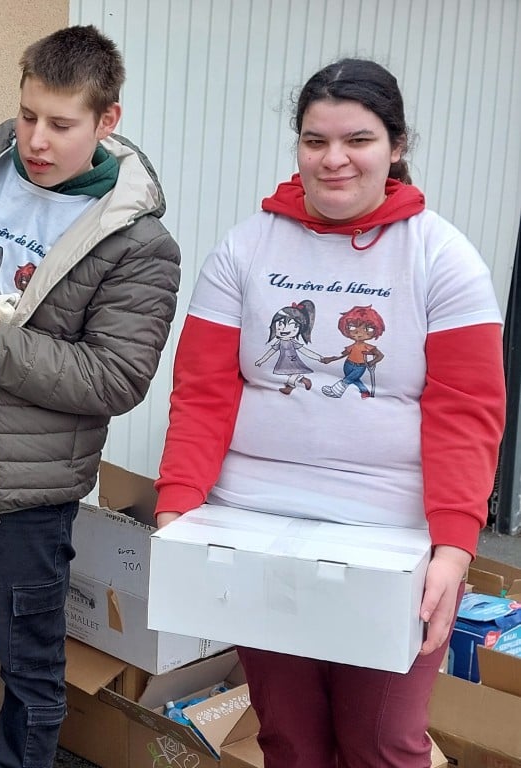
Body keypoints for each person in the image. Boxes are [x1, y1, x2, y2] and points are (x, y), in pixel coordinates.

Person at [153, 58, 506, 768]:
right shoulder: (246, 247)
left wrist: (454, 547)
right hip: (252, 527)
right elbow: (203, 391)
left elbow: (467, 411)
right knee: (288, 736)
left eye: (359, 140)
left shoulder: (443, 257)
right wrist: (177, 512)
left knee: (382, 740)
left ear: (397, 146)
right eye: (314, 141)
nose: (334, 159)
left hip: (391, 540)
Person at [0, 25, 180, 768]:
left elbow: (117, 377)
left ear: (107, 121)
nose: (35, 141)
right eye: (27, 115)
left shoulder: (138, 243)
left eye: (60, 124)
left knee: (31, 672)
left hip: (29, 500)